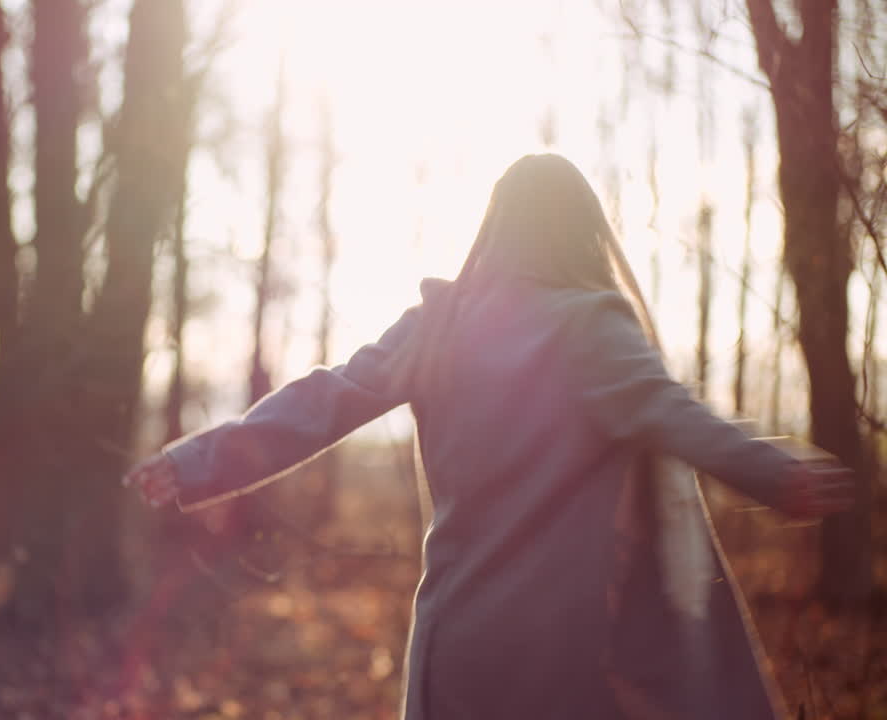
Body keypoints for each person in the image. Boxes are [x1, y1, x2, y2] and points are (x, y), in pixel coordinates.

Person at [122, 153, 853, 719]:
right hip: (561, 657)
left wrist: (197, 462)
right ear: (581, 232)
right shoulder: (590, 326)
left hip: (453, 642)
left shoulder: (436, 328)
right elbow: (675, 414)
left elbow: (326, 400)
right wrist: (775, 473)